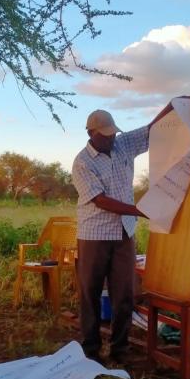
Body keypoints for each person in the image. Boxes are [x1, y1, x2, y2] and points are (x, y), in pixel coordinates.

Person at [71, 108, 168, 363]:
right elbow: (100, 200)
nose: (111, 139)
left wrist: (171, 107)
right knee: (90, 293)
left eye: (113, 133)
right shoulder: (82, 163)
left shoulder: (123, 144)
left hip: (125, 232)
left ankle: (120, 350)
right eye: (105, 135)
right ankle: (90, 350)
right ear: (91, 134)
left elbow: (151, 130)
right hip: (94, 235)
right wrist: (140, 210)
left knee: (124, 293)